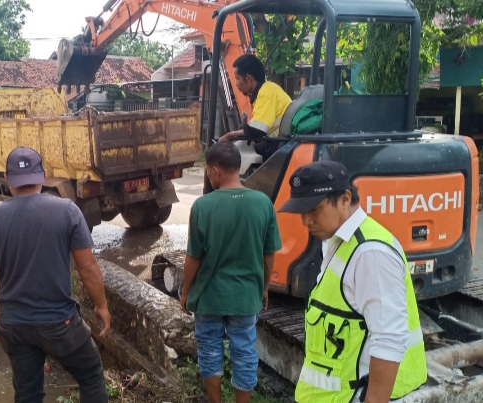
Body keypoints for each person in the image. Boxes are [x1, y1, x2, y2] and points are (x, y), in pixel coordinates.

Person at [278, 161, 427, 403]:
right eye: (301, 212)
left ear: (345, 199)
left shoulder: (370, 254)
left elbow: (389, 339)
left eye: (314, 210)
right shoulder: (337, 240)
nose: (306, 221)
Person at [0, 146, 111, 403]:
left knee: (28, 393)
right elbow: (87, 267)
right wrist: (101, 305)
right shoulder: (67, 211)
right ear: (44, 175)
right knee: (91, 374)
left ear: (6, 178)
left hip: (14, 326)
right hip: (60, 323)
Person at [180, 141, 282, 403]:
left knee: (210, 352)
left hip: (210, 298)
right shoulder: (263, 203)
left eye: (207, 171)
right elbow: (268, 255)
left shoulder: (203, 206)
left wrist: (186, 292)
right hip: (246, 297)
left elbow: (193, 258)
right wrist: (264, 287)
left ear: (215, 170)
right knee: (245, 353)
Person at [219, 54, 292, 161]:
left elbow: (256, 130)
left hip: (278, 147)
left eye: (237, 79)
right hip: (281, 144)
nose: (236, 84)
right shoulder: (268, 89)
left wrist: (230, 135)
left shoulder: (266, 94)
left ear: (248, 78)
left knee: (232, 157)